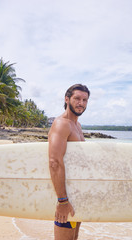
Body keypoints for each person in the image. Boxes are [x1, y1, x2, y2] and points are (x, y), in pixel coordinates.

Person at [48, 84, 90, 240]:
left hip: (76, 195)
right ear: (67, 99)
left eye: (85, 100)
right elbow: (54, 162)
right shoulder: (62, 124)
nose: (81, 103)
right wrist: (62, 201)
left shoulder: (77, 125)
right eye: (77, 98)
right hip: (65, 196)